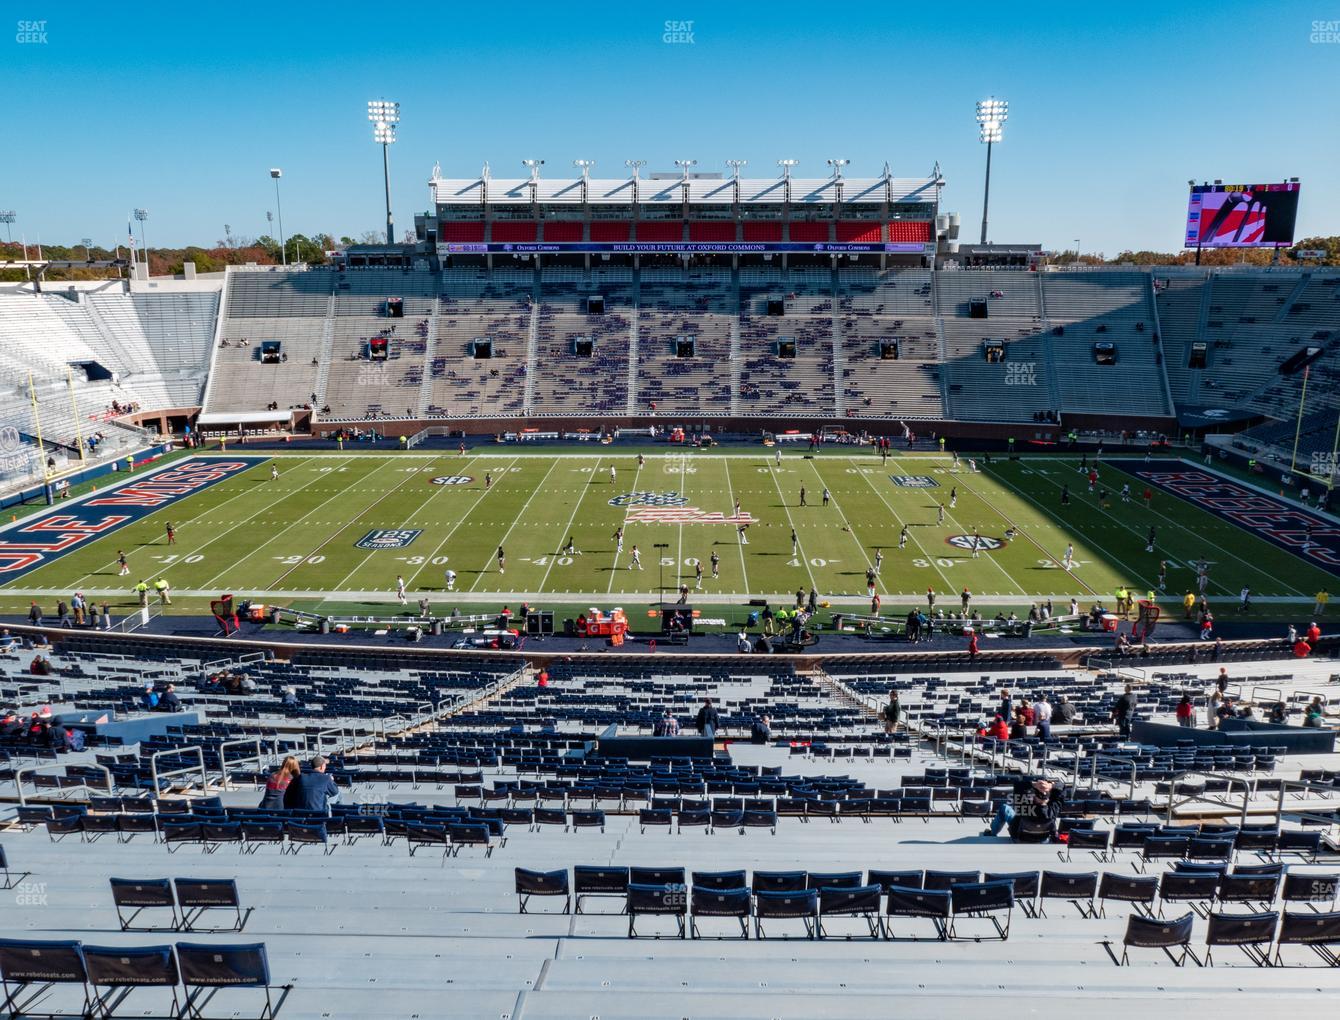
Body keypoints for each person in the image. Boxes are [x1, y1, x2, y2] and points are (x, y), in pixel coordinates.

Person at [984, 777, 1064, 842]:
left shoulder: (1023, 805)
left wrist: (1035, 784)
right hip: (1042, 839)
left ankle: (992, 833)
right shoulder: (1054, 809)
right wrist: (1051, 786)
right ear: (1049, 799)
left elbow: (1018, 785)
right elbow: (1063, 788)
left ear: (1034, 796)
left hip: (1019, 838)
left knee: (1004, 808)